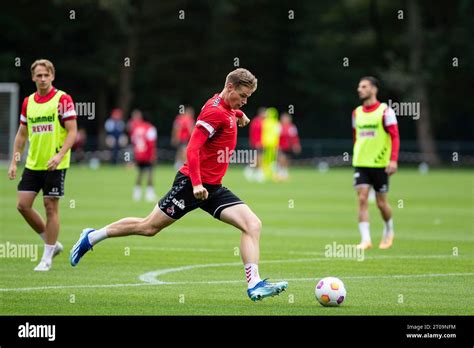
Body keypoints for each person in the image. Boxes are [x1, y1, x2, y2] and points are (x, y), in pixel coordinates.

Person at [70, 68, 288, 301]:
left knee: (252, 224)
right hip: (191, 185)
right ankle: (92, 237)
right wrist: (195, 184)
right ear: (231, 87)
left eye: (248, 98)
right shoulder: (214, 113)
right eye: (242, 96)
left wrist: (237, 115)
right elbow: (192, 148)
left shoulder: (224, 105)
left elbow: (225, 111)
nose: (245, 102)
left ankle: (254, 283)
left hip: (212, 188)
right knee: (148, 227)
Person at [8, 59, 77, 271]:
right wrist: (14, 161)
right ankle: (52, 243)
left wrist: (60, 156)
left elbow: (72, 132)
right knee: (23, 205)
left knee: (50, 207)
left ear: (52, 76)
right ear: (33, 77)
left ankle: (46, 257)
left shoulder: (62, 99)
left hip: (55, 164)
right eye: (39, 75)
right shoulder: (28, 102)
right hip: (33, 163)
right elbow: (21, 135)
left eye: (46, 75)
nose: (43, 79)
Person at [352, 76, 400, 250]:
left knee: (381, 204)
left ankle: (389, 230)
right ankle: (366, 240)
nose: (360, 89)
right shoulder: (356, 112)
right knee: (362, 198)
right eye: (359, 86)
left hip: (380, 164)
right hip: (361, 163)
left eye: (364, 86)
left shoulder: (385, 111)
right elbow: (356, 136)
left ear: (374, 89)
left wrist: (393, 160)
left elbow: (395, 136)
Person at [128, 109, 158, 202]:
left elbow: (133, 141)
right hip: (147, 154)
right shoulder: (150, 128)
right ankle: (149, 194)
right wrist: (153, 155)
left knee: (140, 173)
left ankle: (136, 193)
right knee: (150, 173)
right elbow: (151, 143)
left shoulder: (136, 128)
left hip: (138, 153)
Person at [277, 112, 301, 181]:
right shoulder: (278, 126)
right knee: (281, 159)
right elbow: (276, 137)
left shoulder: (292, 127)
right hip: (280, 147)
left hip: (288, 147)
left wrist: (296, 145)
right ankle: (280, 173)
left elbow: (294, 137)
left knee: (287, 160)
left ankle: (284, 172)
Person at [244, 107, 265, 182]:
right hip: (257, 143)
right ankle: (257, 173)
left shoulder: (264, 122)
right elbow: (254, 133)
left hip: (262, 143)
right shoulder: (256, 121)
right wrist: (256, 142)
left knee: (258, 158)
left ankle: (252, 171)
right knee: (258, 158)